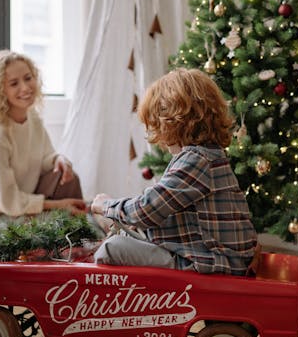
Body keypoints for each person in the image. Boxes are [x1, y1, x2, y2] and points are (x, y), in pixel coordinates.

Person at [90, 68, 257, 275]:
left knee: (111, 249)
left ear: (174, 123)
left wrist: (105, 204)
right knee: (116, 228)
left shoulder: (197, 160)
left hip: (209, 263)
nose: (156, 134)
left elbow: (146, 210)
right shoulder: (207, 155)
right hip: (204, 254)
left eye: (156, 125)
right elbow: (169, 212)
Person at [0, 49, 86, 246]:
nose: (25, 87)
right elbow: (9, 201)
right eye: (14, 83)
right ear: (0, 90)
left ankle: (79, 238)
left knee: (67, 177)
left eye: (28, 78)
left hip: (18, 208)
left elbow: (43, 157)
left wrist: (57, 159)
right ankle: (71, 240)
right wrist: (58, 206)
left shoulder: (31, 118)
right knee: (53, 225)